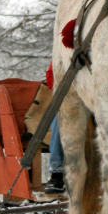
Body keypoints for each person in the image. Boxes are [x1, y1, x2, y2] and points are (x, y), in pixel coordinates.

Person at [43, 63, 65, 193]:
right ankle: (57, 173)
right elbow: (51, 74)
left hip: (99, 97)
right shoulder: (63, 48)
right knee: (59, 117)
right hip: (71, 96)